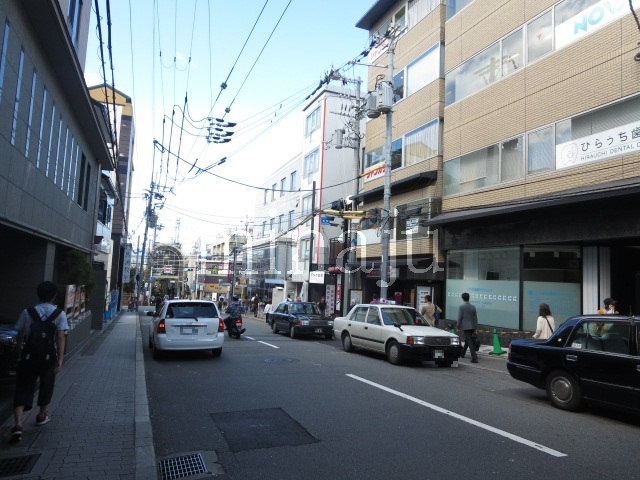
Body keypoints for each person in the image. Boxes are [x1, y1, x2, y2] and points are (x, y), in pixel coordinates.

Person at [10, 281, 69, 443]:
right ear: (54, 296)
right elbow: (60, 337)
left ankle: (18, 423)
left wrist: (20, 353)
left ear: (38, 294)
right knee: (46, 385)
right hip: (48, 357)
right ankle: (42, 415)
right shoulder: (59, 314)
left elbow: (20, 334)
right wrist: (60, 359)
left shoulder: (27, 312)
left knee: (23, 387)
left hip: (29, 356)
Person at [457, 292, 478, 363]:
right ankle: (463, 353)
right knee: (467, 340)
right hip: (472, 326)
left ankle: (474, 357)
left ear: (463, 298)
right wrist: (475, 327)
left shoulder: (461, 307)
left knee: (469, 341)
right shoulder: (473, 307)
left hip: (465, 327)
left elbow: (460, 317)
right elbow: (475, 318)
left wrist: (458, 326)